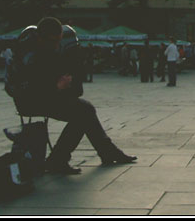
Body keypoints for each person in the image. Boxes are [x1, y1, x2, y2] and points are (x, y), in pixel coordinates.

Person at [16, 18, 136, 174]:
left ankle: (101, 152)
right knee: (83, 112)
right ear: (40, 38)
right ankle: (61, 159)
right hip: (31, 100)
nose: (56, 45)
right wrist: (57, 87)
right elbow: (27, 87)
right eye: (53, 41)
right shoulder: (29, 54)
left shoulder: (54, 47)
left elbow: (76, 87)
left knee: (84, 110)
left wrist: (66, 83)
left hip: (50, 95)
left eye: (58, 41)